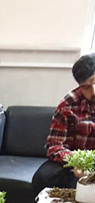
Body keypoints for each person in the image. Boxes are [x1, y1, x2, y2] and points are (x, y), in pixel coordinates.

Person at [32, 53, 95, 195]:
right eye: (86, 87)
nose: (93, 91)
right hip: (75, 164)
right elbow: (55, 146)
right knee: (43, 177)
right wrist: (77, 162)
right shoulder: (68, 105)